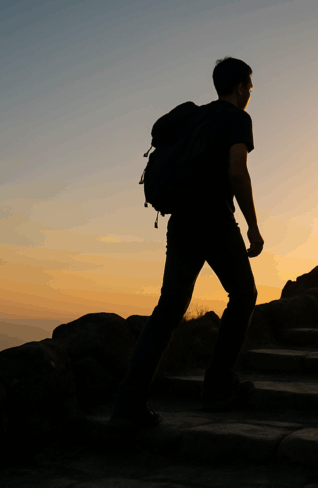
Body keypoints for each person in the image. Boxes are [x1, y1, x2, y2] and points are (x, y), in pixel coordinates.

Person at [110, 57, 264, 429]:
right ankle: (218, 385)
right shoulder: (236, 118)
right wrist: (253, 226)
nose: (250, 93)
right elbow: (237, 170)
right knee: (244, 294)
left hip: (181, 220)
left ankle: (128, 404)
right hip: (213, 217)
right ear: (240, 87)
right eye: (249, 87)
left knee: (169, 308)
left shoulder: (197, 117)